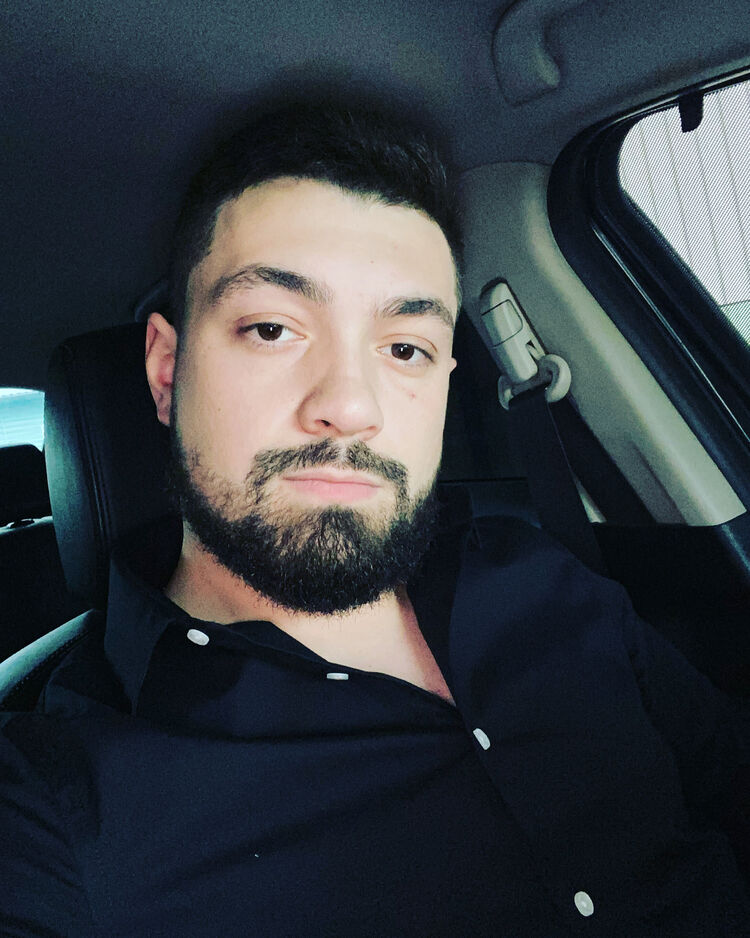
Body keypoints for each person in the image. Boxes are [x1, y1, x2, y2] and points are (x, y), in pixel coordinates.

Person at [1, 102, 749, 937]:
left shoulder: (540, 578)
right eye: (273, 329)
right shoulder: (57, 815)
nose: (351, 406)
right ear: (168, 373)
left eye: (405, 348)